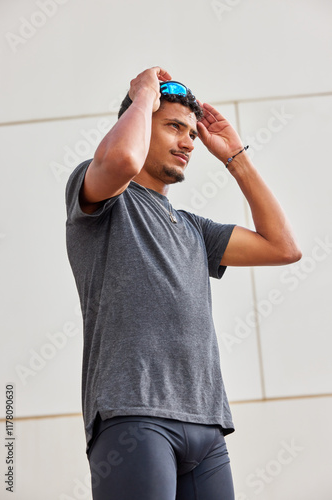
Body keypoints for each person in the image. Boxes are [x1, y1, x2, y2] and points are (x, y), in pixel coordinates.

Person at [65, 66, 301, 500]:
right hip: (134, 418)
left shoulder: (194, 229)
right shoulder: (103, 195)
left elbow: (283, 247)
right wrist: (141, 96)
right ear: (137, 123)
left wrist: (236, 157)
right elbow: (122, 161)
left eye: (192, 133)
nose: (188, 142)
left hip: (207, 426)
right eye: (173, 127)